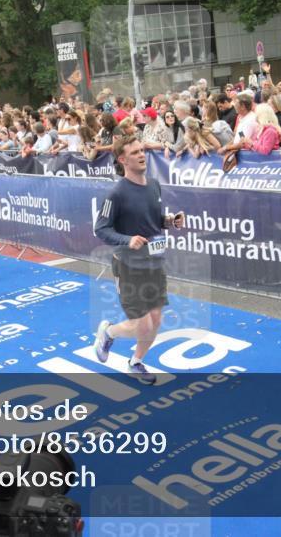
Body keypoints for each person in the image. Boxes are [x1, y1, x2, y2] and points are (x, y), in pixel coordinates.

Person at [93, 135, 185, 385]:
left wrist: (169, 221)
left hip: (154, 261)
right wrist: (127, 240)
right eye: (134, 153)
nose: (141, 155)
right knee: (142, 323)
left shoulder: (154, 185)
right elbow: (101, 229)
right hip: (128, 264)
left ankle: (136, 361)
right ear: (122, 159)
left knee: (156, 320)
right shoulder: (116, 193)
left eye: (142, 150)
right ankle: (108, 332)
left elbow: (153, 221)